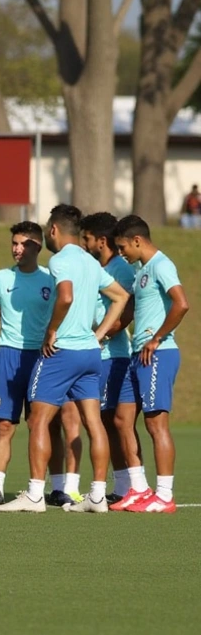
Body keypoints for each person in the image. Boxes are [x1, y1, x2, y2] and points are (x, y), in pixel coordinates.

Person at [0, 205, 129, 514]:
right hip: (89, 353)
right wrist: (97, 336)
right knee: (93, 423)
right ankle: (97, 496)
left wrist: (52, 330)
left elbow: (66, 297)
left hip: (62, 352)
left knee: (38, 420)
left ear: (54, 230)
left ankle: (34, 495)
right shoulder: (90, 260)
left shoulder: (60, 260)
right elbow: (121, 297)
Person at [113, 215, 190, 513]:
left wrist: (157, 338)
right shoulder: (140, 270)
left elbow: (181, 303)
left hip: (158, 353)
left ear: (137, 241)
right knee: (122, 419)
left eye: (123, 248)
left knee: (155, 423)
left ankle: (165, 496)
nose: (121, 253)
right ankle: (139, 489)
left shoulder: (162, 264)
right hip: (137, 354)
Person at [0, 222, 55, 505]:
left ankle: (41, 488)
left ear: (37, 246)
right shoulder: (0, 278)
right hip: (9, 356)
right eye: (14, 243)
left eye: (23, 244)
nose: (17, 249)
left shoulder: (51, 279)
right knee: (3, 426)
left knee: (40, 424)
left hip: (40, 357)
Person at [79, 212, 141, 505]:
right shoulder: (96, 268)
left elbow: (128, 309)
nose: (83, 243)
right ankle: (124, 487)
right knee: (107, 420)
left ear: (100, 241)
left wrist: (105, 333)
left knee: (119, 421)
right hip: (99, 355)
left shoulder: (121, 270)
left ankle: (134, 487)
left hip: (114, 356)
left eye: (86, 238)